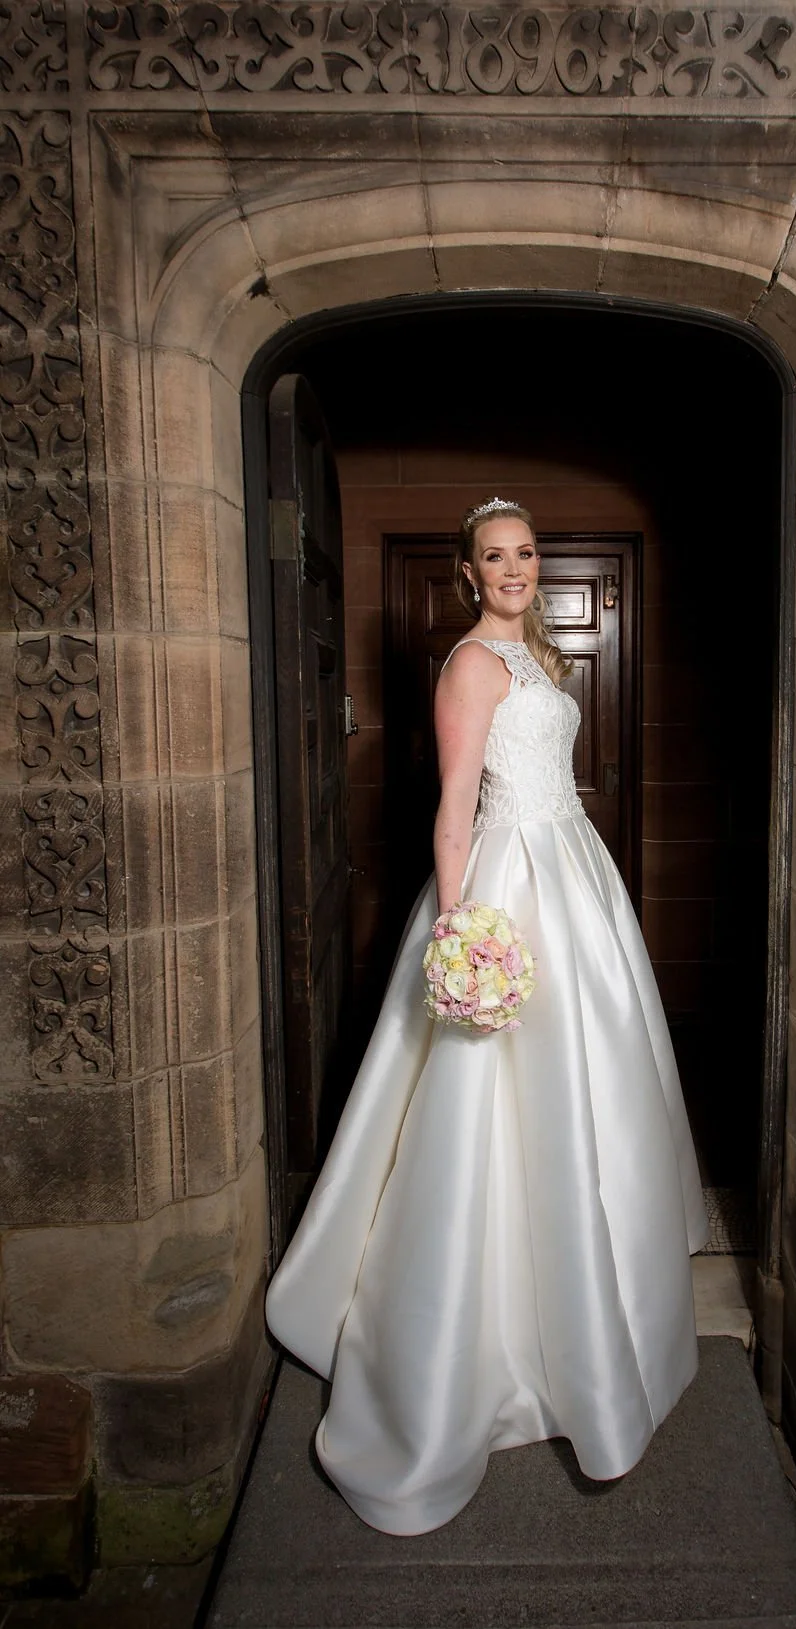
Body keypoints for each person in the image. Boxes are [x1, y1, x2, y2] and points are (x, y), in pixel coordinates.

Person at [265, 497, 709, 1536]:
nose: (512, 570)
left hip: (572, 873)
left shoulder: (541, 659)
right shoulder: (470, 665)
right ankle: (479, 1331)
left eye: (526, 554)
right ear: (468, 575)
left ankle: (599, 1315)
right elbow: (453, 806)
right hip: (505, 887)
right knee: (487, 1107)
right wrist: (461, 933)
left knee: (593, 1085)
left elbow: (549, 773)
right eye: (494, 558)